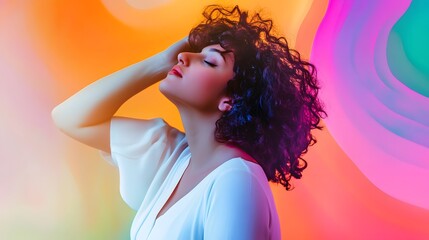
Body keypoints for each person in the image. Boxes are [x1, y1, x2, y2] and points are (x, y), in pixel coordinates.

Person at [52, 5, 326, 240]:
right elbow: (71, 118)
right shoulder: (172, 156)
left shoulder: (236, 182)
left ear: (231, 101)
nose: (184, 57)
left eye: (208, 61)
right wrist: (160, 63)